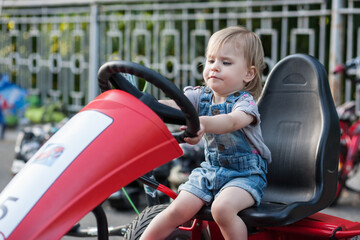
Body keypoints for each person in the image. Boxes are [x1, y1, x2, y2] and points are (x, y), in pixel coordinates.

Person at [140, 26, 271, 240]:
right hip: (211, 171)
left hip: (245, 176)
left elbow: (230, 121)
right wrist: (146, 104)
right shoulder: (200, 96)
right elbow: (173, 106)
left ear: (249, 73)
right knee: (177, 209)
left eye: (225, 62)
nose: (215, 68)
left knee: (223, 209)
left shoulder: (245, 104)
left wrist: (201, 122)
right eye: (210, 61)